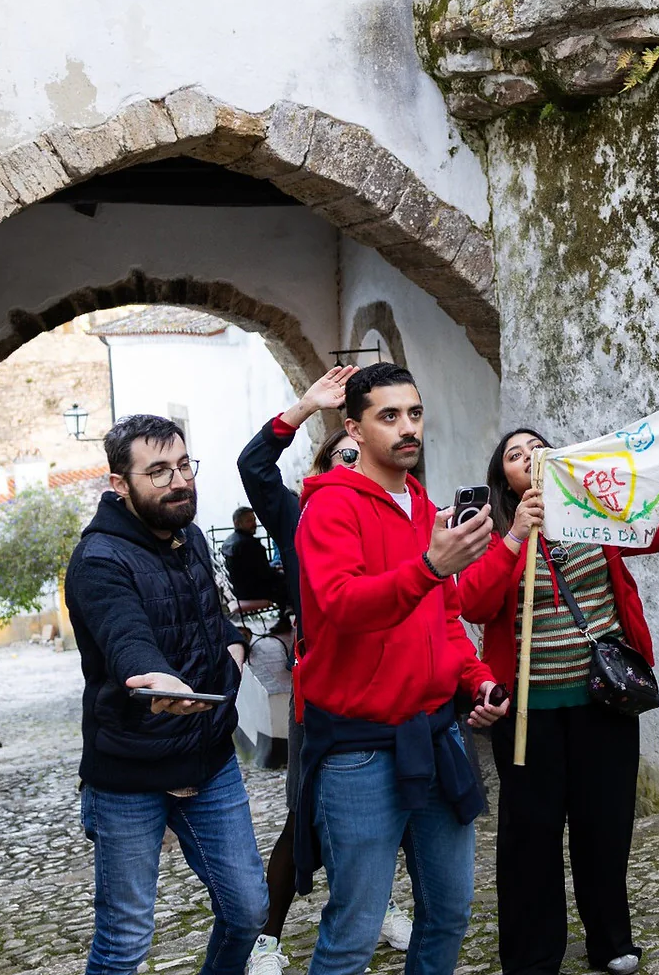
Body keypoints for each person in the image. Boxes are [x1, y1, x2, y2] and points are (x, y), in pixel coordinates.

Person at [460, 419, 659, 975]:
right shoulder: (491, 530)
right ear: (503, 477)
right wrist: (514, 537)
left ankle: (611, 941)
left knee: (605, 825)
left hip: (605, 702)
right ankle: (532, 955)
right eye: (513, 454)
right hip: (529, 715)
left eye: (536, 448)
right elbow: (473, 604)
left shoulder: (596, 512)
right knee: (531, 836)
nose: (527, 456)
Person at [291, 362, 512, 975]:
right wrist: (430, 568)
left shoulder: (425, 506)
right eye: (389, 416)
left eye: (413, 413)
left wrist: (477, 679)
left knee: (449, 912)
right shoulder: (330, 508)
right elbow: (342, 606)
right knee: (354, 931)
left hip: (437, 735)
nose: (407, 428)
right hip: (358, 752)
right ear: (353, 428)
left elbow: (442, 619)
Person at [64, 414, 268, 975]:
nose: (178, 481)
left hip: (208, 761)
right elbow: (124, 637)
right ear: (119, 485)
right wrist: (155, 677)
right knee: (125, 938)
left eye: (183, 465)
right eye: (157, 472)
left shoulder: (194, 539)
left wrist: (235, 647)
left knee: (250, 910)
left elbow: (218, 617)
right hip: (129, 771)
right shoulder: (98, 560)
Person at [234, 367, 417, 975]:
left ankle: (380, 902)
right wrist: (303, 407)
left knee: (394, 810)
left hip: (395, 685)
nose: (350, 464)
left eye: (355, 457)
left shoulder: (404, 507)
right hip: (325, 692)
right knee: (305, 810)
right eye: (339, 455)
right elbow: (255, 468)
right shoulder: (301, 516)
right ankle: (268, 935)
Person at [222, 506, 288, 629]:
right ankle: (288, 617)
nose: (254, 524)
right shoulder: (248, 544)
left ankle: (286, 617)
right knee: (290, 582)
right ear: (237, 523)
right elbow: (265, 574)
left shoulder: (230, 541)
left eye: (254, 520)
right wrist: (280, 572)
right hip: (251, 591)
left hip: (240, 587)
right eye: (249, 521)